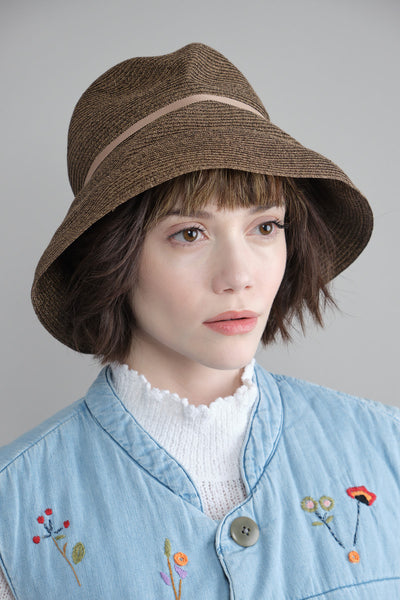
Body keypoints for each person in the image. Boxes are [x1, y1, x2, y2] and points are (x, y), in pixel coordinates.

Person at [0, 43, 399, 599]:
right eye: (190, 233)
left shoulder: (387, 449)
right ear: (113, 257)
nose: (240, 276)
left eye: (265, 227)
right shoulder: (13, 508)